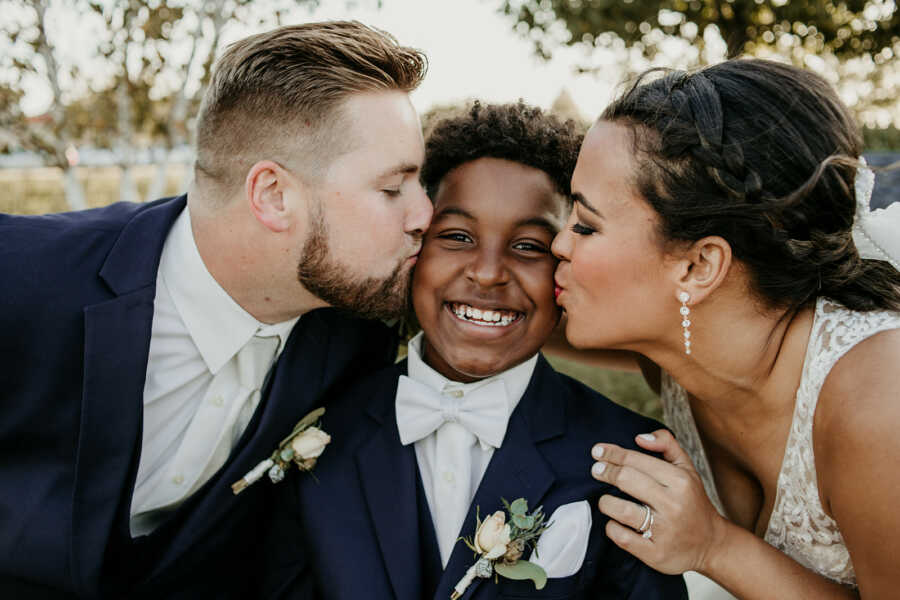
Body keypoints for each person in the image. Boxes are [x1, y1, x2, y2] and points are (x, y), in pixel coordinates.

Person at [0, 21, 431, 599]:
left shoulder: (354, 339)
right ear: (273, 196)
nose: (424, 214)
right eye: (392, 188)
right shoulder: (21, 278)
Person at [258, 102, 688, 599]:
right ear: (414, 247)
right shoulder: (318, 441)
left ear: (567, 263)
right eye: (457, 237)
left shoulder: (626, 457)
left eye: (529, 246)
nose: (487, 272)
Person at [551, 58, 900, 598]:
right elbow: (508, 317)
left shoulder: (878, 405)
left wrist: (714, 546)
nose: (558, 245)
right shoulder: (671, 348)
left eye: (585, 225)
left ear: (698, 267)